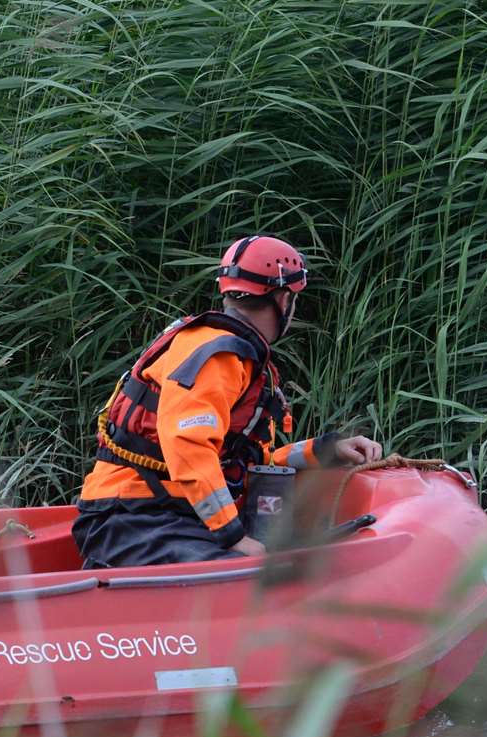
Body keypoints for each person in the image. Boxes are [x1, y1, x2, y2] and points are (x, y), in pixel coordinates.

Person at [73, 235, 382, 568]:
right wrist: (232, 536)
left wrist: (324, 450)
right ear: (282, 299)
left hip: (162, 514)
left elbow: (243, 461)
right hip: (135, 518)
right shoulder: (219, 355)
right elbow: (187, 445)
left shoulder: (233, 355)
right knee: (253, 575)